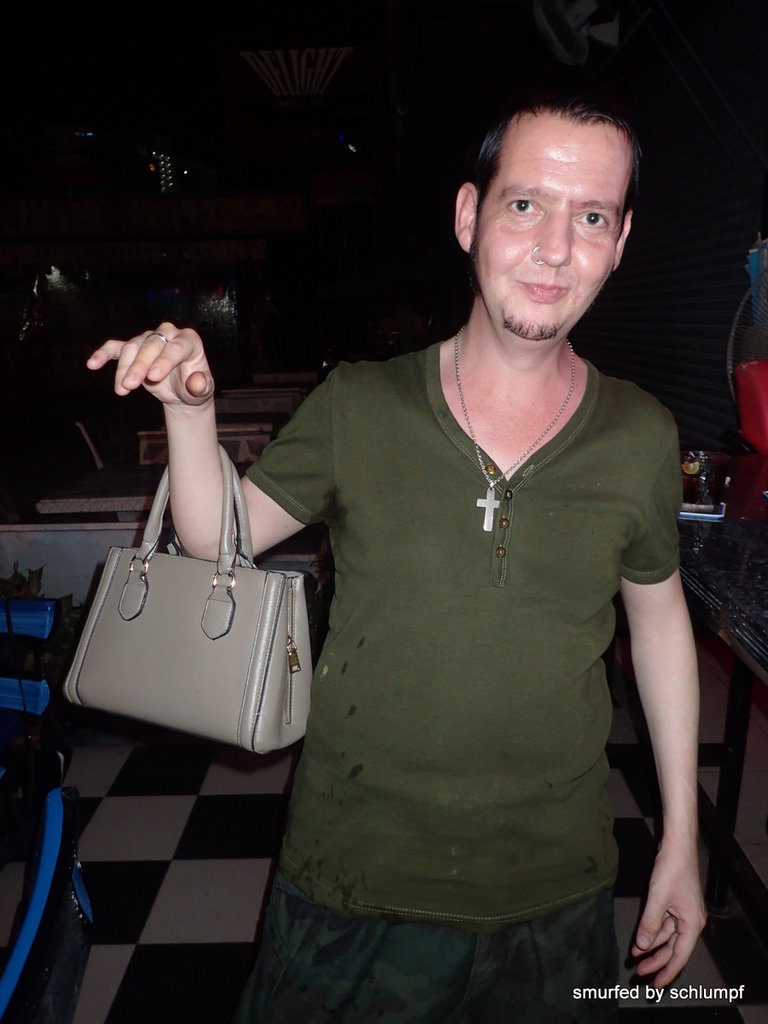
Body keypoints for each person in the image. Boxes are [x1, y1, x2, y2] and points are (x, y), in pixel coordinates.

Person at [87, 93, 707, 1023]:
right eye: (526, 205)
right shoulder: (360, 406)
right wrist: (188, 409)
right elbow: (220, 540)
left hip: (558, 890)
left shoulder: (641, 434)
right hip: (354, 881)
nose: (554, 249)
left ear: (619, 243)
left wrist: (682, 840)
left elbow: (658, 626)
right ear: (469, 216)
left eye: (591, 218)